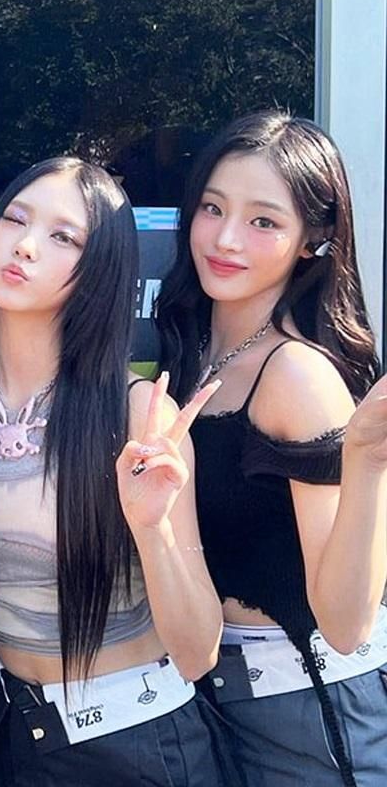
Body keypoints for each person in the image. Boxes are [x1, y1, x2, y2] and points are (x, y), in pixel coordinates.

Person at [0, 157, 227, 785]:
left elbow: (198, 650)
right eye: (14, 220)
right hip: (7, 734)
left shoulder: (136, 414)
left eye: (63, 237)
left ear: (101, 269)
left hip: (134, 745)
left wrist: (152, 530)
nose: (24, 245)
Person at [156, 110, 387, 787]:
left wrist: (366, 459)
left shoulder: (296, 376)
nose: (226, 239)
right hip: (204, 708)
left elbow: (345, 621)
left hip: (309, 717)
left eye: (263, 221)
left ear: (313, 239)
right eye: (213, 208)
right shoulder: (186, 350)